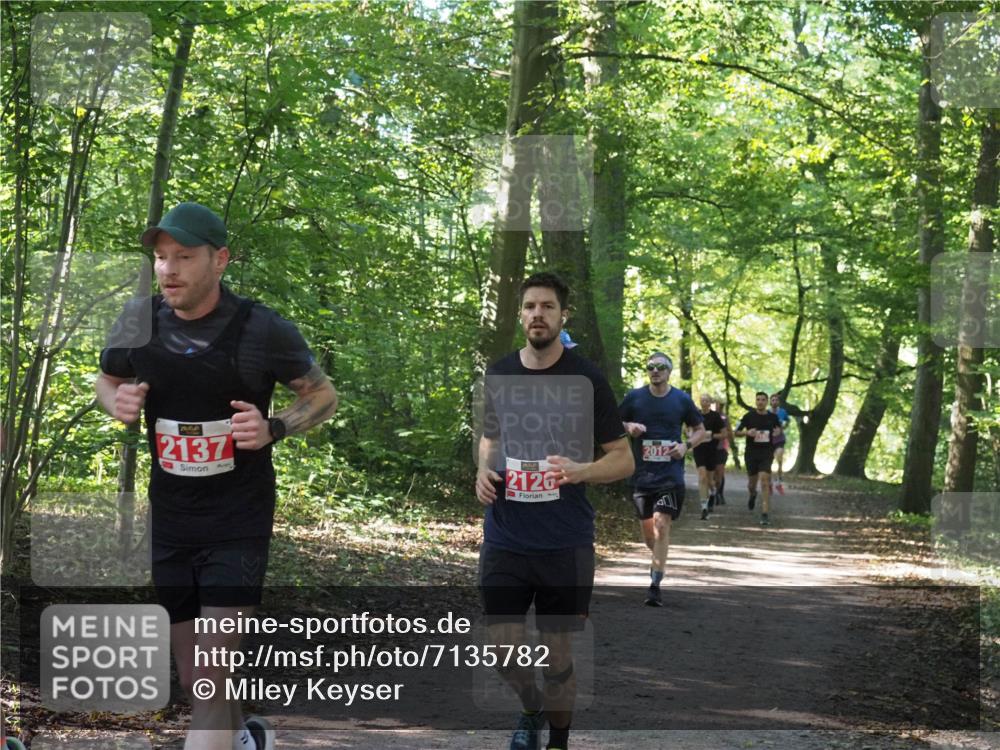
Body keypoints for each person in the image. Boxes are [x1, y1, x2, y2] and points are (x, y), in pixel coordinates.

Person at [96, 202, 338, 750]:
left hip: (237, 520)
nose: (169, 269)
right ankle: (248, 739)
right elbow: (106, 380)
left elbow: (323, 395)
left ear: (220, 259)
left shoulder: (260, 327)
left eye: (183, 256)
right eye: (161, 258)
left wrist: (274, 426)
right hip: (172, 520)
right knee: (195, 680)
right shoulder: (140, 322)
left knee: (209, 678)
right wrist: (120, 403)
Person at [475, 272, 633, 750]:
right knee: (503, 652)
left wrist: (580, 471)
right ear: (520, 314)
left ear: (563, 315)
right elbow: (491, 437)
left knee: (558, 658)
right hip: (506, 535)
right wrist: (483, 472)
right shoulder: (500, 374)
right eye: (529, 307)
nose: (537, 314)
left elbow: (623, 458)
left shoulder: (586, 379)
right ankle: (530, 710)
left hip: (564, 541)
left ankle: (559, 742)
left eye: (547, 306)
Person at [619, 353, 704, 606]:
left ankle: (655, 585)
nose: (655, 371)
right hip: (641, 476)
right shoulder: (635, 398)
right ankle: (658, 554)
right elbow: (613, 421)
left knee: (662, 525)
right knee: (649, 536)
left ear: (669, 371)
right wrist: (629, 427)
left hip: (670, 476)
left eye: (661, 367)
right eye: (651, 367)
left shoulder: (681, 399)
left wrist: (685, 446)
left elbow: (700, 430)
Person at [735, 392, 782, 527]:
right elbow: (736, 432)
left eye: (763, 400)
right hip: (751, 454)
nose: (760, 402)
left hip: (766, 453)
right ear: (755, 401)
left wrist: (777, 432)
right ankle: (753, 494)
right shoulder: (748, 416)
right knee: (752, 484)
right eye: (758, 400)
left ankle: (765, 513)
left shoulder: (773, 417)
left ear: (767, 402)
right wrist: (746, 433)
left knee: (765, 482)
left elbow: (778, 430)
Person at [692, 394, 725, 520]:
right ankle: (704, 507)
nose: (704, 402)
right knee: (702, 477)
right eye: (702, 399)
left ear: (710, 402)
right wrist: (691, 434)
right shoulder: (695, 415)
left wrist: (711, 435)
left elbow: (724, 434)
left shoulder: (715, 416)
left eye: (706, 400)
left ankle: (713, 493)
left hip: (711, 450)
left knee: (711, 481)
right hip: (699, 449)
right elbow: (687, 429)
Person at [712, 396, 736, 505]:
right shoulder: (707, 416)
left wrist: (732, 445)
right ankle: (713, 493)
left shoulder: (724, 418)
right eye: (716, 404)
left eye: (720, 404)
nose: (718, 406)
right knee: (712, 473)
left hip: (722, 448)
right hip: (709, 448)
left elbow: (730, 432)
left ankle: (719, 493)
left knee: (720, 472)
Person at [769, 393, 791, 494]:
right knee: (768, 463)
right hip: (768, 440)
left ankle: (779, 480)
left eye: (776, 400)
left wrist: (782, 429)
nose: (774, 402)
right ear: (770, 402)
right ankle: (769, 483)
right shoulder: (767, 412)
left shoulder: (783, 412)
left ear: (779, 402)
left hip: (779, 439)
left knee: (779, 457)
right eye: (772, 400)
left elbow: (788, 421)